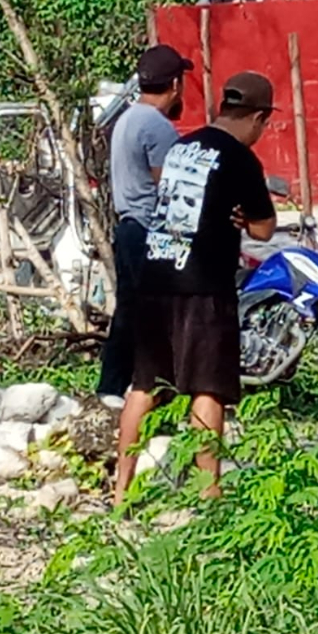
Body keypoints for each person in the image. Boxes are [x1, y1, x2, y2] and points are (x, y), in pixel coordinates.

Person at [113, 72, 278, 506]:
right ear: (259, 118)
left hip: (155, 276)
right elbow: (264, 228)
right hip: (203, 286)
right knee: (208, 389)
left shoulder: (183, 147)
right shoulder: (242, 160)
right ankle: (210, 495)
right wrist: (246, 221)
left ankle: (119, 492)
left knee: (144, 385)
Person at [96, 44, 191, 407]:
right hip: (150, 231)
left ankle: (126, 383)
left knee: (133, 307)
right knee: (155, 312)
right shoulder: (157, 127)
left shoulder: (127, 119)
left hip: (129, 226)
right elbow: (170, 185)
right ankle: (136, 385)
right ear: (176, 85)